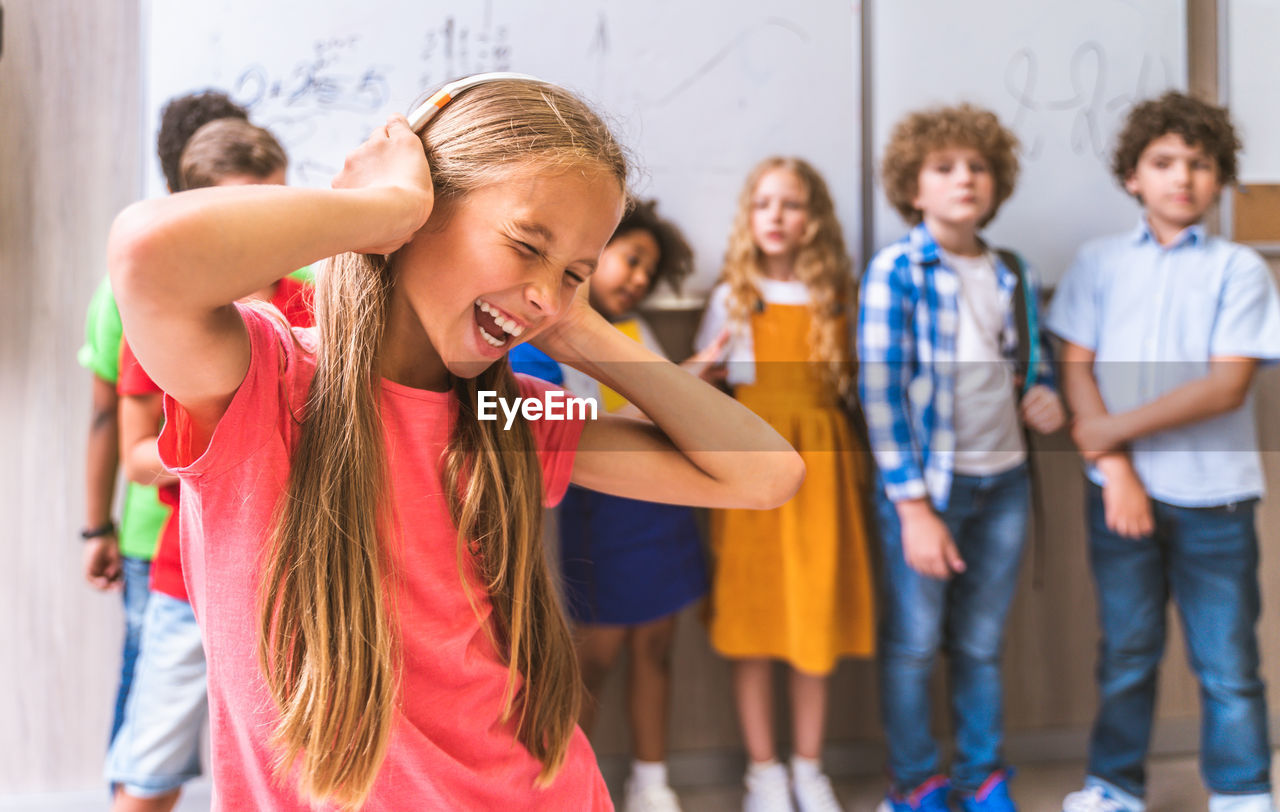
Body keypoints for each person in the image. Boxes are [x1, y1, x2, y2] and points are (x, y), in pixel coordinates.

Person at [107, 75, 804, 810]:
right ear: (419, 218)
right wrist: (379, 210)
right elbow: (147, 255)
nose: (544, 290)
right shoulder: (270, 387)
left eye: (574, 271)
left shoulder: (506, 420)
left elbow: (764, 476)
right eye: (527, 243)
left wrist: (576, 321)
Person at [1049, 91, 1279, 812]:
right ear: (1133, 176)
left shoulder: (1239, 270)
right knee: (1125, 654)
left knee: (1227, 664)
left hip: (1217, 500)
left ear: (1219, 180)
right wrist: (1115, 470)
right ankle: (1114, 785)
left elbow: (1224, 388)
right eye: (1164, 161)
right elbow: (1076, 367)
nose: (1183, 176)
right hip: (1122, 497)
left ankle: (1242, 792)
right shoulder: (1097, 263)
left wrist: (1109, 433)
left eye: (1201, 164)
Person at [858, 104, 1064, 812]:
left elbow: (1029, 367)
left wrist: (1044, 394)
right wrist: (913, 509)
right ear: (914, 189)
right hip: (928, 492)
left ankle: (983, 777)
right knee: (915, 646)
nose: (964, 179)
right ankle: (914, 783)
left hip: (1001, 483)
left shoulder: (1012, 271)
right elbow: (879, 394)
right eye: (944, 168)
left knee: (979, 644)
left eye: (977, 167)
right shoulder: (897, 271)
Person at [106, 116, 311, 812]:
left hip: (297, 579)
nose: (263, 236)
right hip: (185, 580)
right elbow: (136, 458)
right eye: (240, 216)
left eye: (276, 209)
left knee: (298, 774)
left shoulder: (314, 303)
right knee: (152, 771)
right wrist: (224, 432)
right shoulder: (167, 317)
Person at [511, 199, 721, 812]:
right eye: (631, 261)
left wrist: (679, 391)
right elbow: (528, 419)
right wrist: (675, 393)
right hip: (595, 523)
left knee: (656, 649)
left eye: (649, 275)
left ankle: (652, 787)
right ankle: (566, 793)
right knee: (592, 664)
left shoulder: (635, 333)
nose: (637, 280)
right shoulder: (537, 343)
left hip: (660, 513)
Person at [695, 156, 874, 812]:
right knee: (753, 619)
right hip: (748, 473)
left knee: (811, 619)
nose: (776, 216)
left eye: (791, 204)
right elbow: (706, 390)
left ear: (814, 219)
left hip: (821, 474)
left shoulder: (835, 299)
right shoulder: (733, 298)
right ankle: (763, 773)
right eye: (763, 203)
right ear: (748, 216)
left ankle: (808, 767)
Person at [77, 89, 249, 750]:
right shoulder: (134, 284)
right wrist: (99, 525)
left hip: (210, 537)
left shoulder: (292, 281)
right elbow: (113, 420)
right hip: (162, 536)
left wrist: (98, 525)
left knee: (160, 715)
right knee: (152, 722)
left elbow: (99, 419)